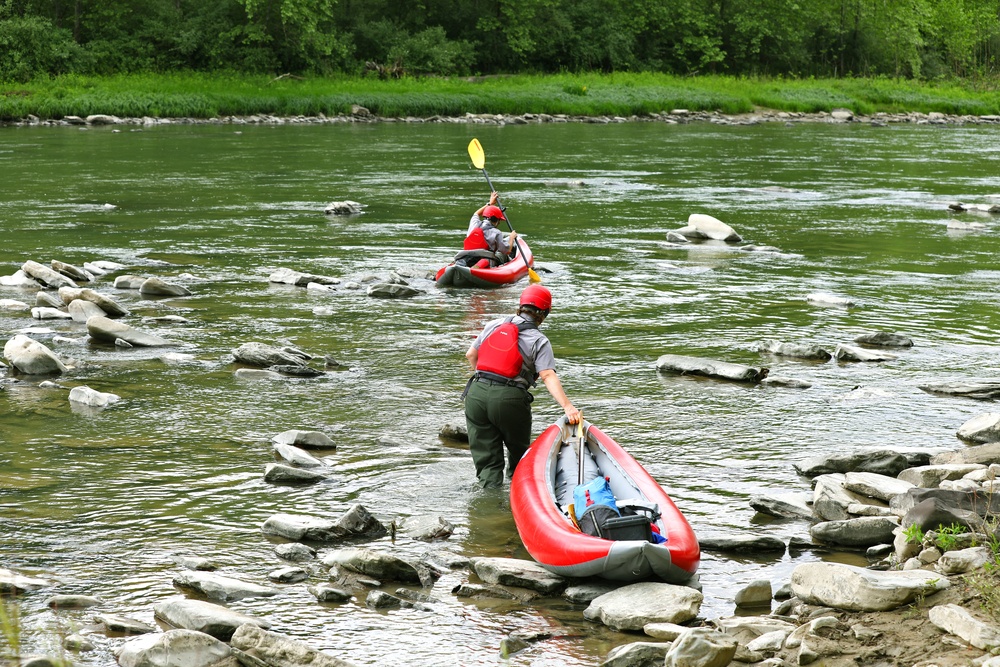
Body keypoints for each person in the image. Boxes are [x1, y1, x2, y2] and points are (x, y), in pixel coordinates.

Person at [463, 284, 581, 488]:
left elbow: (471, 355)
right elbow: (547, 375)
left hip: (475, 394)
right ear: (543, 313)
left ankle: (489, 503)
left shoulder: (494, 324)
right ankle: (518, 496)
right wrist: (567, 406)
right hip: (510, 398)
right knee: (520, 455)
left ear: (521, 306)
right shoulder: (540, 340)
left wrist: (485, 384)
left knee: (487, 462)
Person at [460, 191, 518, 268]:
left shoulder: (474, 223)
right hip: (486, 261)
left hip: (468, 257)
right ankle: (511, 264)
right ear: (497, 220)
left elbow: (476, 213)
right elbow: (507, 251)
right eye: (499, 220)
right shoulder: (496, 232)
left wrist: (490, 203)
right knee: (502, 255)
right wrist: (511, 238)